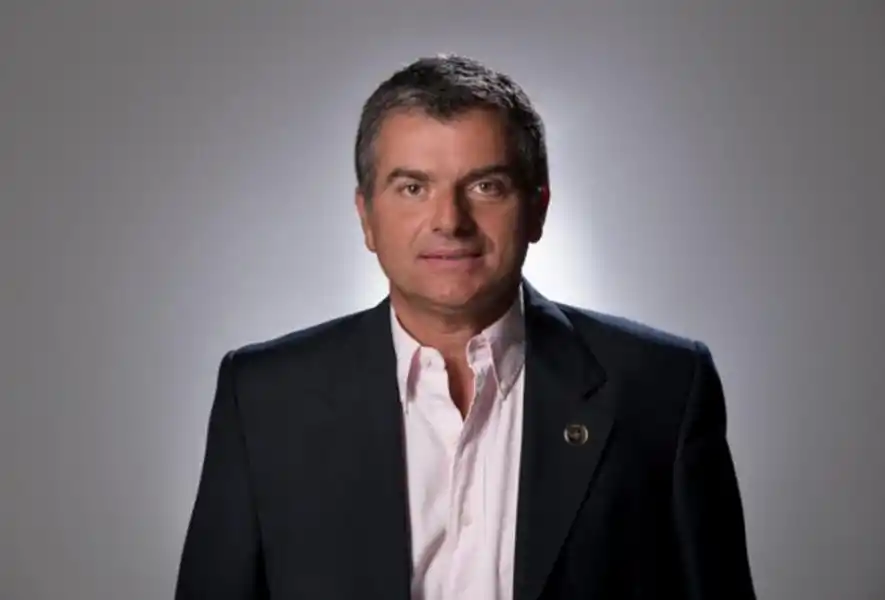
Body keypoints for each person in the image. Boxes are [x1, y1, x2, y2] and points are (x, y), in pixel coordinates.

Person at [174, 54, 756, 600]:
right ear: (366, 217)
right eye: (413, 188)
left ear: (538, 208)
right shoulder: (264, 398)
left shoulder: (663, 388)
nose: (450, 221)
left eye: (485, 186)